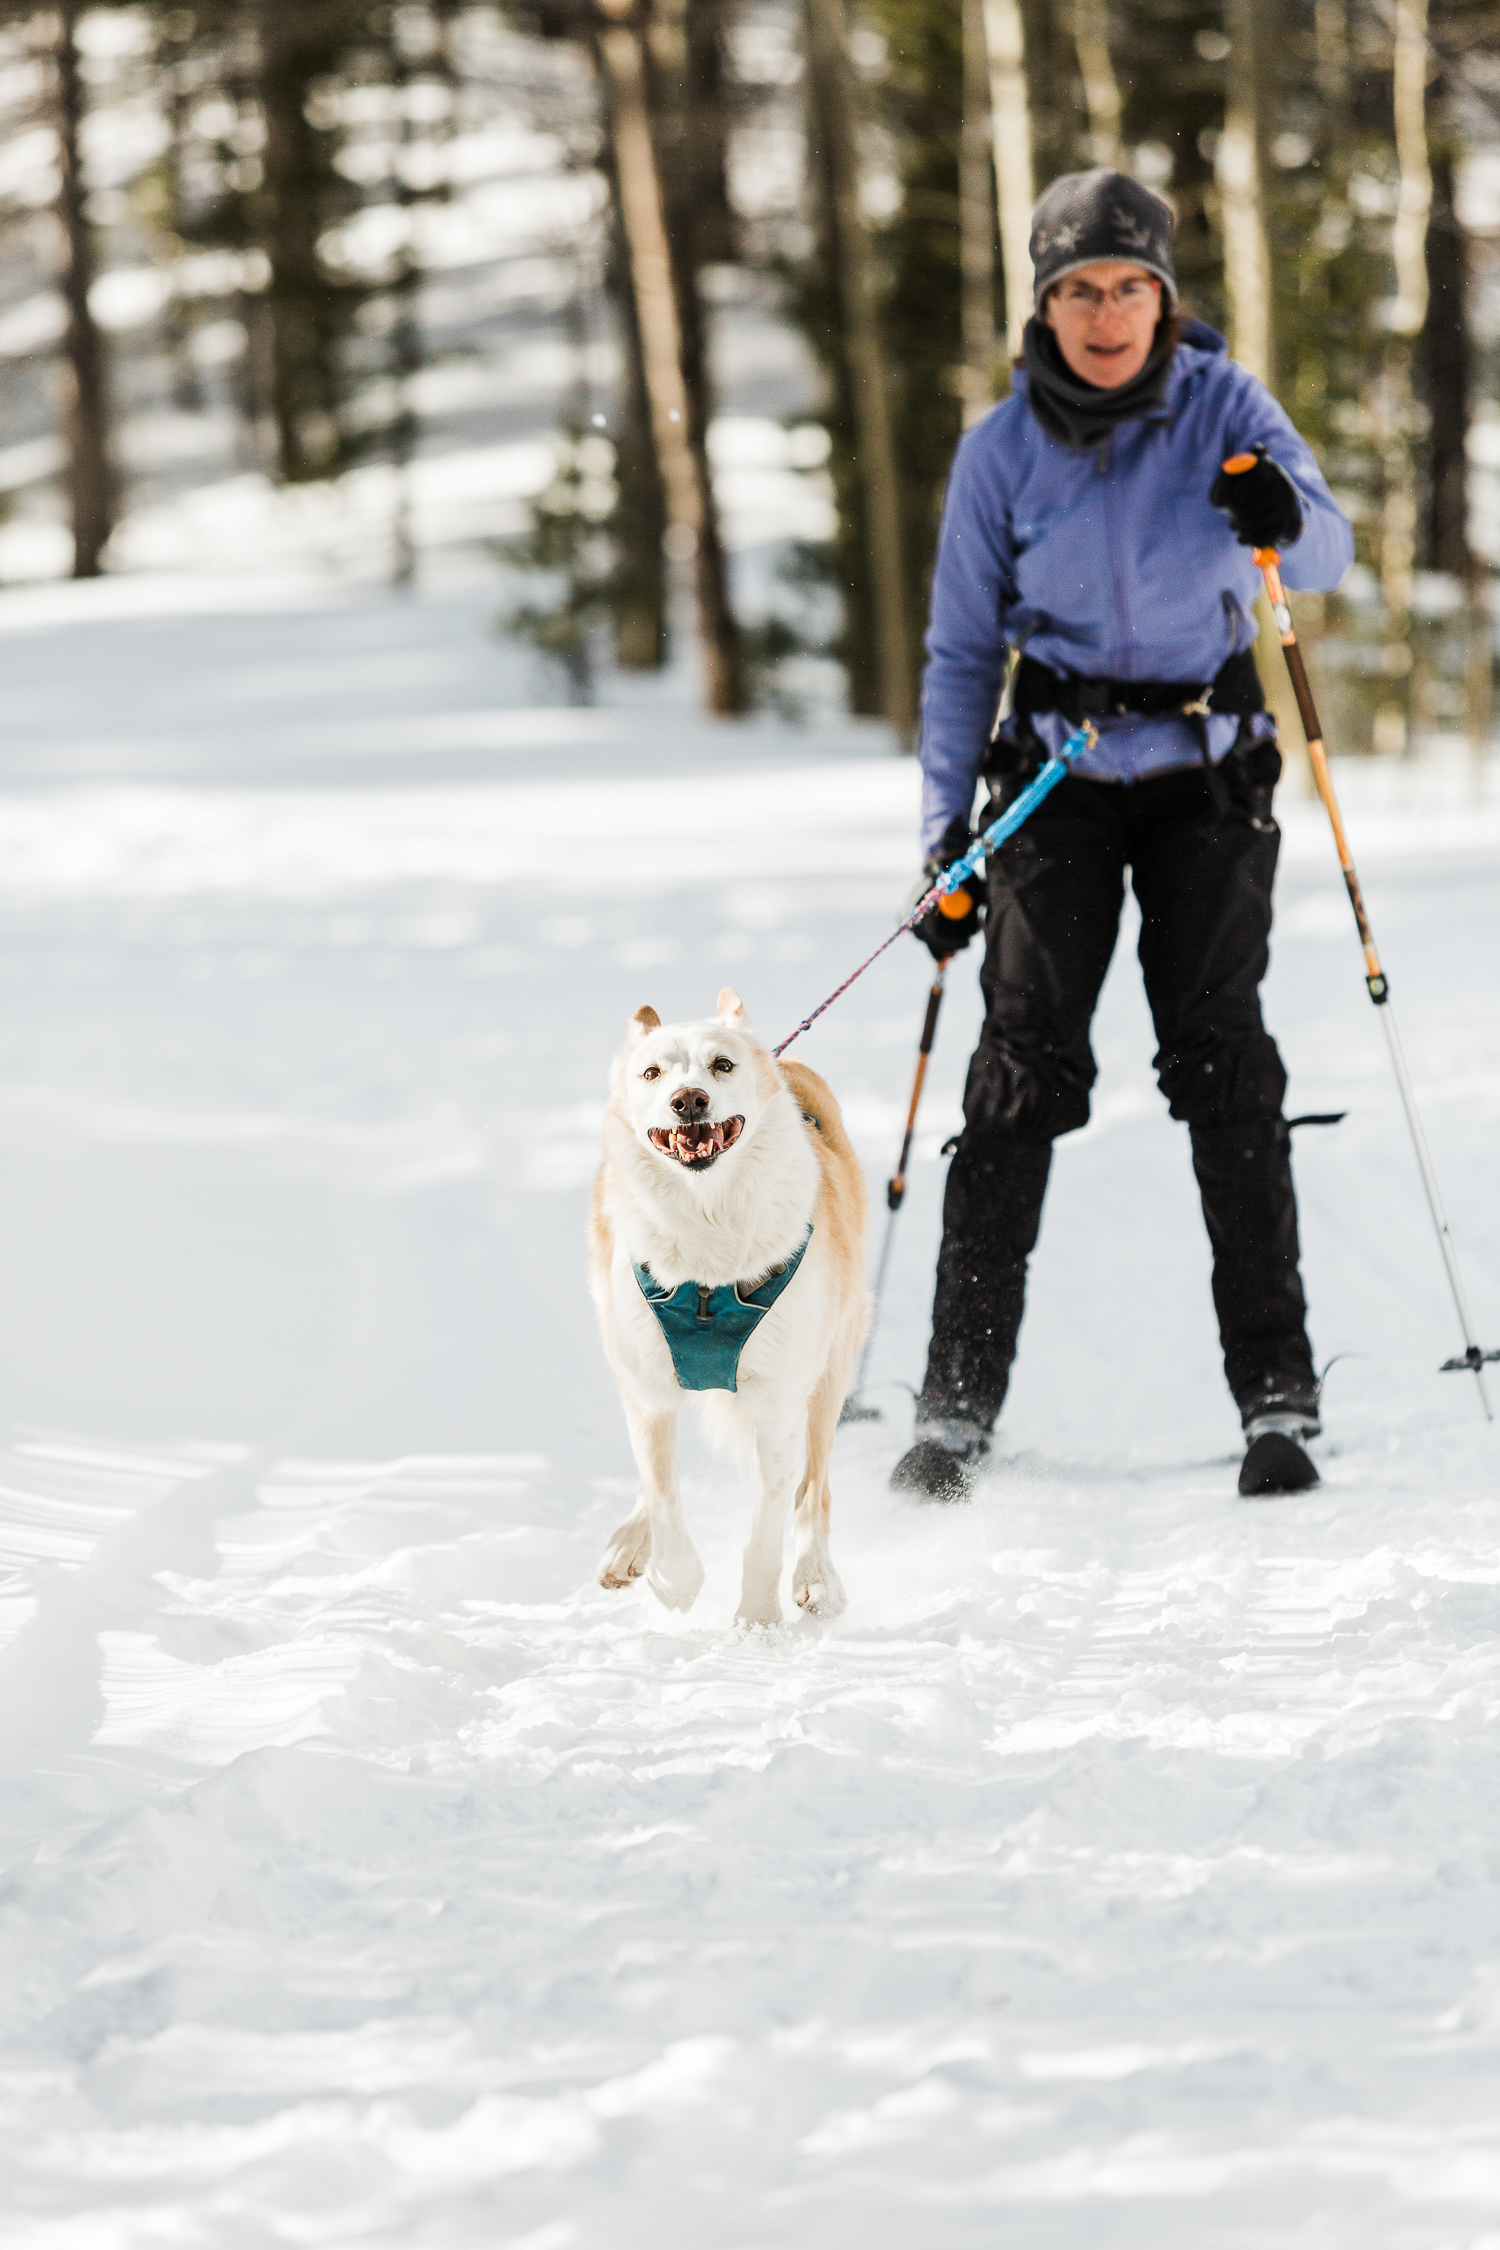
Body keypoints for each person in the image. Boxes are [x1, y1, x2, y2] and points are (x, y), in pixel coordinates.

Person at [890, 168, 1354, 1504]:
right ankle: (956, 1405)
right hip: (1058, 781)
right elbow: (960, 654)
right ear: (1044, 304)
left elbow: (1324, 552)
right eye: (1079, 289)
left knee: (1224, 1063)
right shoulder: (1000, 452)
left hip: (1207, 773)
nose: (1106, 313)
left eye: (1129, 287)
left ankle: (1279, 1394)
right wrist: (943, 843)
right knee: (1020, 1071)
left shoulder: (1226, 408)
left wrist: (1283, 513)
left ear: (1166, 296)